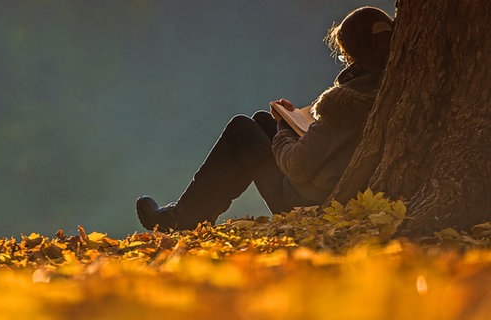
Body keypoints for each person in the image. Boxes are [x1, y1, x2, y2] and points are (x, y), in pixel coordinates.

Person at [136, 6, 394, 232]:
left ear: (354, 55)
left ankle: (182, 217)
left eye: (344, 56)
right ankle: (197, 213)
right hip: (326, 187)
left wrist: (284, 126)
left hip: (301, 202)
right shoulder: (386, 91)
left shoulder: (341, 104)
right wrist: (290, 122)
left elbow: (296, 165)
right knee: (261, 120)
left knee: (242, 130)